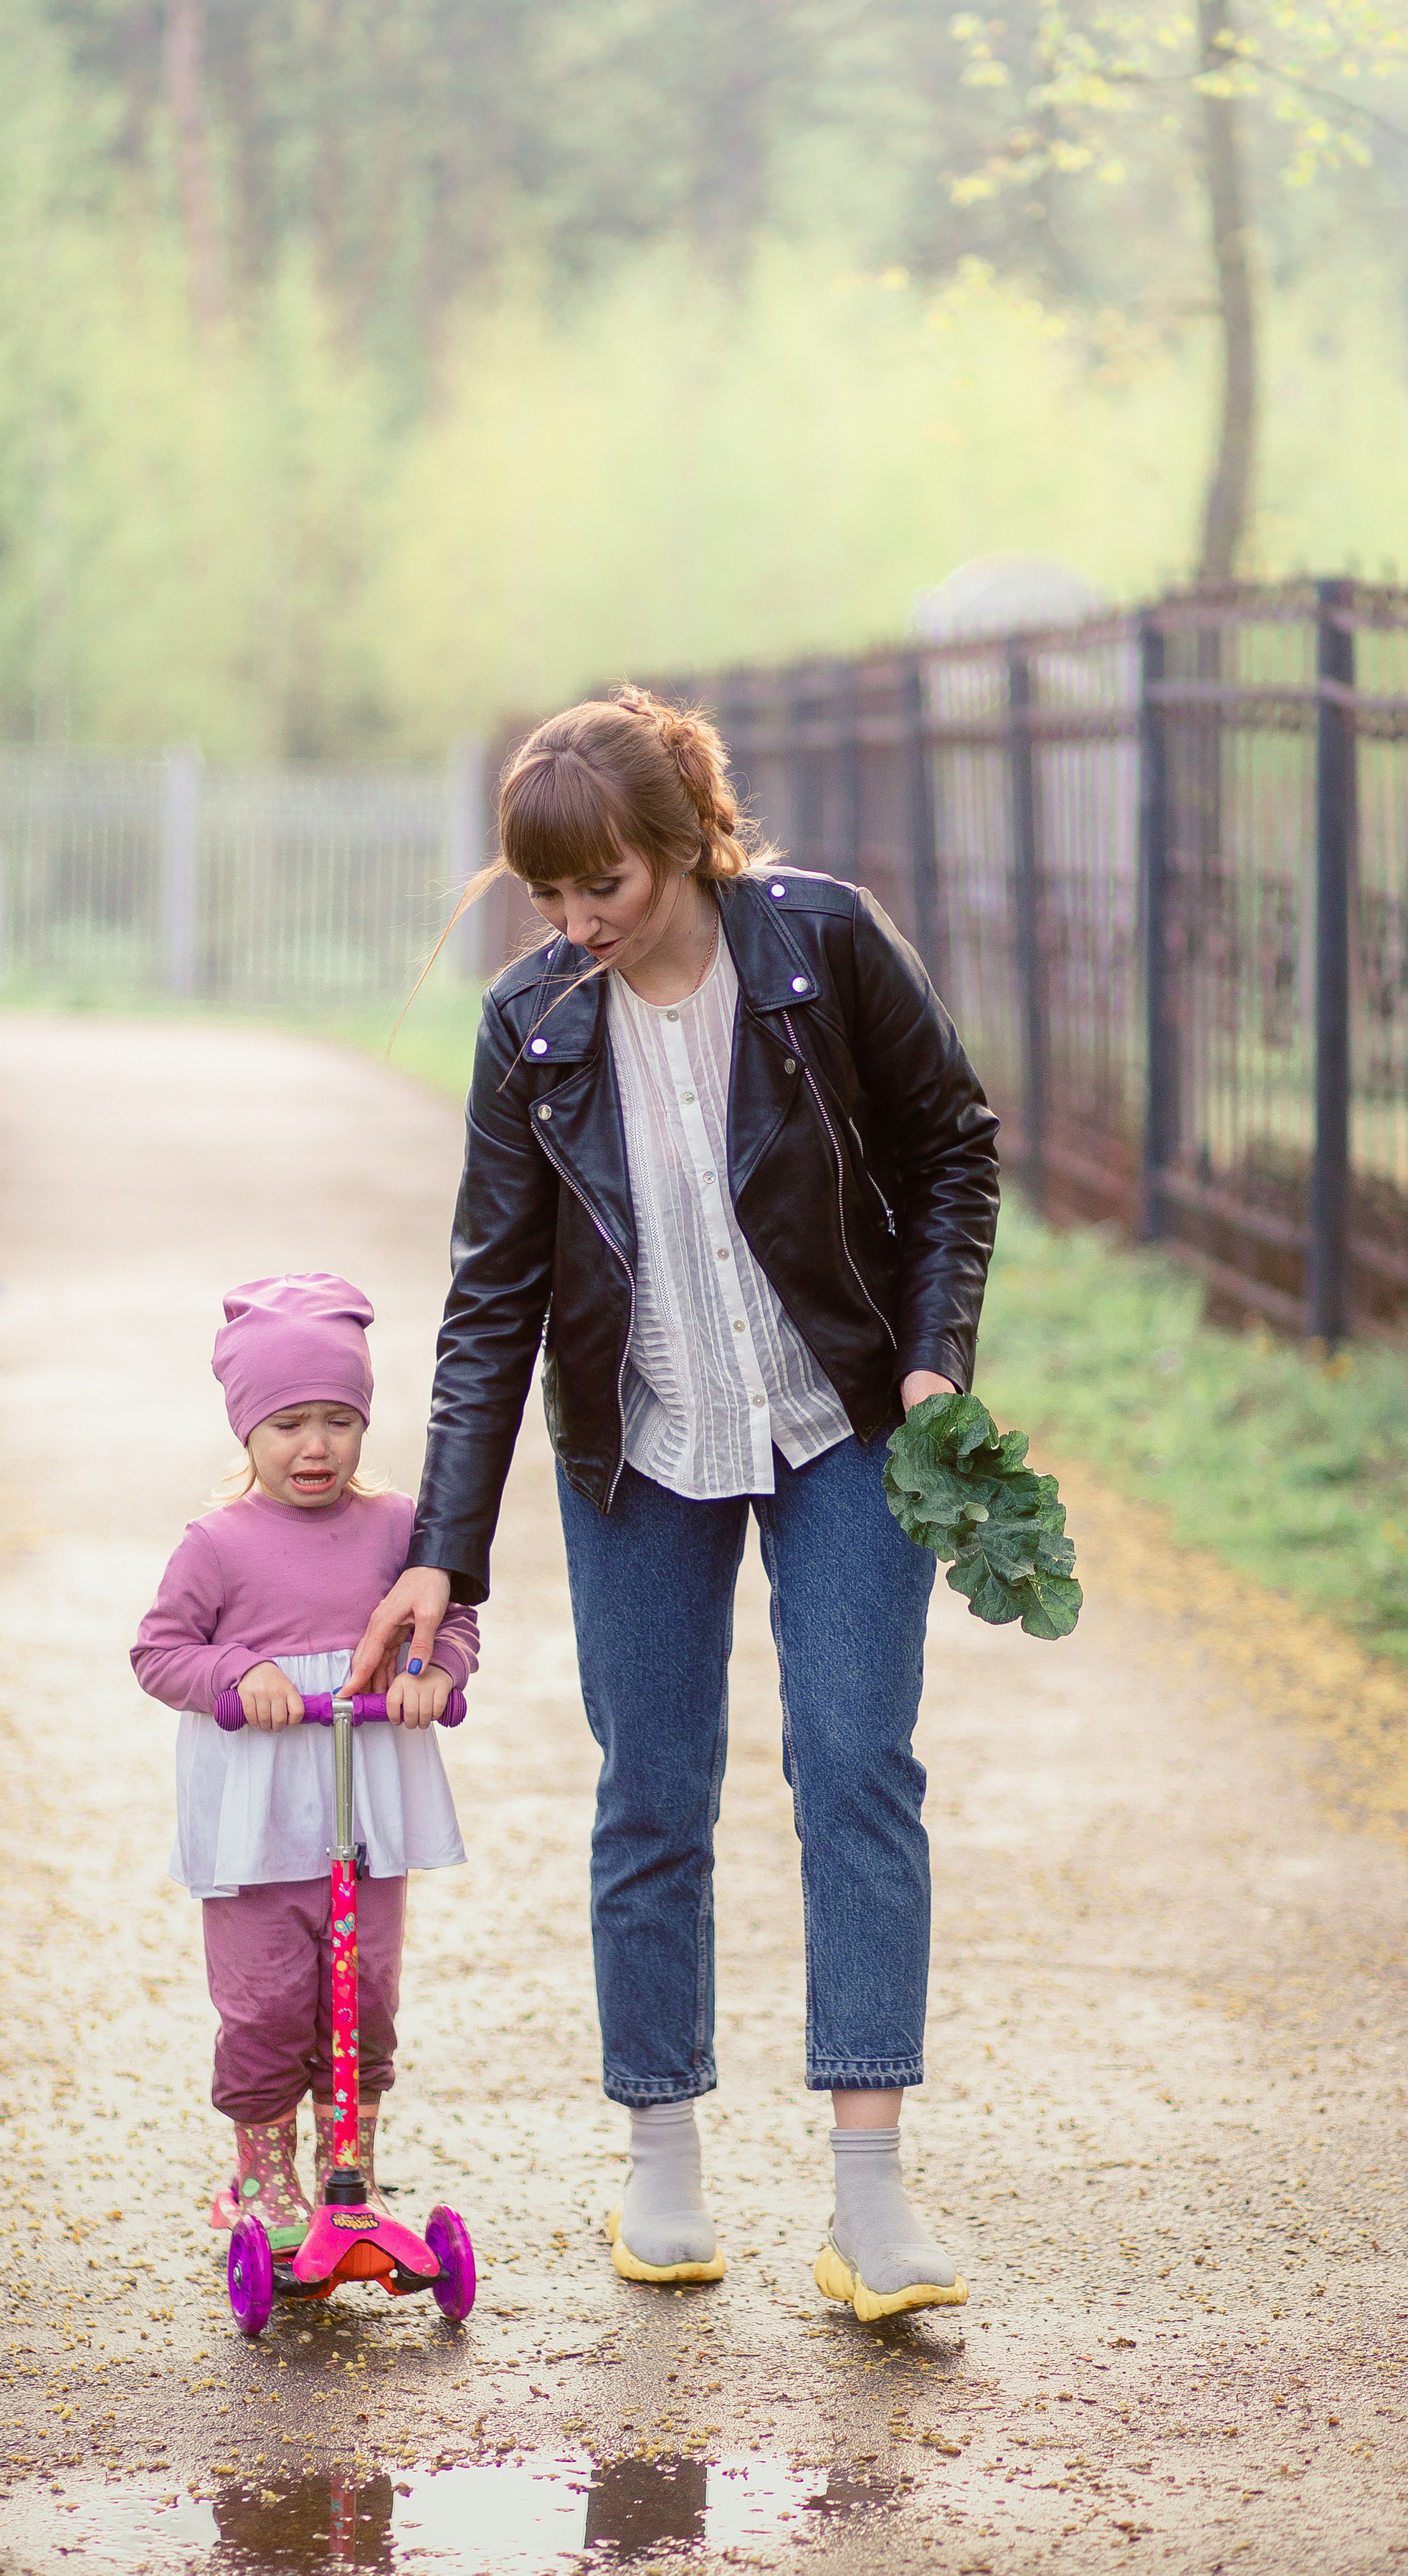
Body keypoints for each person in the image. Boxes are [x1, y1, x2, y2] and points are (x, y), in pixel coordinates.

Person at [348, 688, 999, 2324]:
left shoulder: (821, 949)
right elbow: (490, 1297)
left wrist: (931, 1361)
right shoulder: (530, 1023)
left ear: (687, 843)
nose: (574, 928)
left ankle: (869, 2203)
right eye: (547, 898)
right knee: (653, 1791)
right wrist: (443, 1549)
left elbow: (950, 1153)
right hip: (636, 1444)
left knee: (856, 1766)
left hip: (843, 1419)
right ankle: (665, 2165)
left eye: (605, 892)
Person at [132, 1272, 479, 2257]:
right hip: (257, 1817)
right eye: (288, 1423)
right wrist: (242, 1677)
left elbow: (452, 1620)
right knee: (267, 2003)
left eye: (337, 1419)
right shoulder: (218, 1544)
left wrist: (432, 1673)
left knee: (362, 1994)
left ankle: (350, 2169)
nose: (316, 1446)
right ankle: (263, 2170)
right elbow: (159, 1653)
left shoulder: (395, 1528)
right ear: (247, 1431)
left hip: (362, 1808)